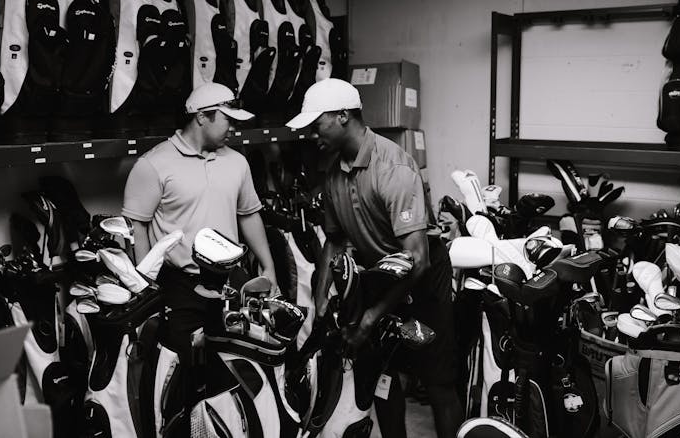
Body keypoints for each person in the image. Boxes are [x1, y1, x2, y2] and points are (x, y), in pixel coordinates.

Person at [286, 78, 462, 438]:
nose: (311, 135)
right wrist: (320, 305)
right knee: (382, 375)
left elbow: (417, 259)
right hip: (381, 276)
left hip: (423, 276)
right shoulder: (333, 174)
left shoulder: (393, 168)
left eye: (316, 124)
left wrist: (370, 317)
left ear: (342, 116)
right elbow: (333, 243)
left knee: (438, 380)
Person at [122, 82, 278, 354]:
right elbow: (137, 226)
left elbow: (249, 215)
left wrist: (268, 267)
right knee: (182, 360)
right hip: (179, 284)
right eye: (228, 120)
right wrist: (146, 285)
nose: (234, 129)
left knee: (238, 357)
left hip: (230, 280)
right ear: (202, 117)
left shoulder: (237, 162)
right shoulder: (153, 164)